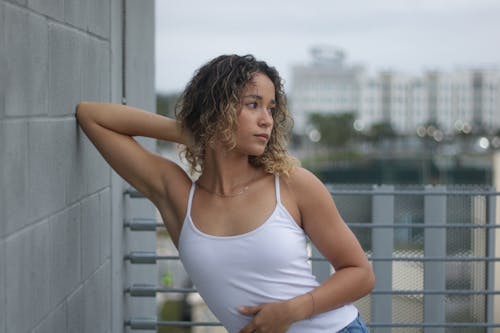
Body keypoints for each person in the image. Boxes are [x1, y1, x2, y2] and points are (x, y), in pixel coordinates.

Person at [76, 54, 375, 333]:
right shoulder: (179, 197)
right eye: (253, 104)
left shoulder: (292, 184)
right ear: (216, 110)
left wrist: (293, 310)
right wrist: (191, 131)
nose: (267, 120)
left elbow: (360, 273)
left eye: (271, 108)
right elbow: (91, 116)